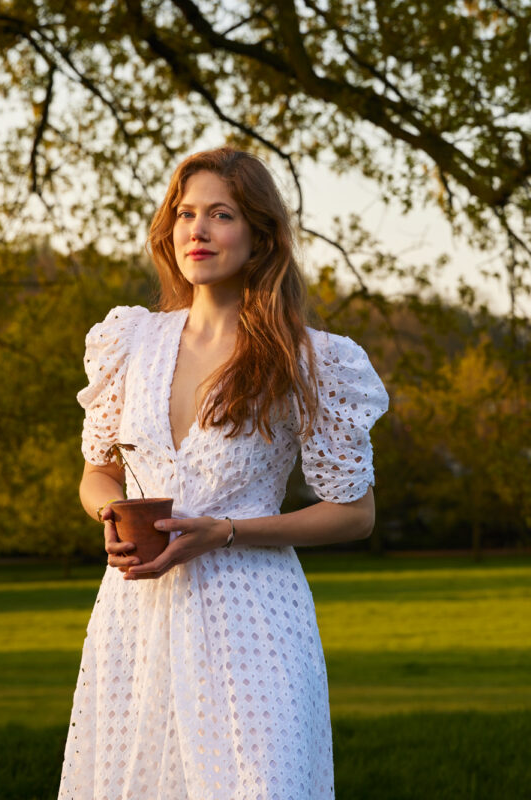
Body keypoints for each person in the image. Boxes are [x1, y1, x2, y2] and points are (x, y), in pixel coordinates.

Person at [58, 146, 388, 799]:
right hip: (136, 615)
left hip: (254, 620)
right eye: (185, 214)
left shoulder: (309, 359)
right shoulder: (128, 342)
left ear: (260, 236)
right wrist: (110, 517)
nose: (197, 231)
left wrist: (225, 531)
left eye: (221, 214)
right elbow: (97, 475)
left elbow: (355, 512)